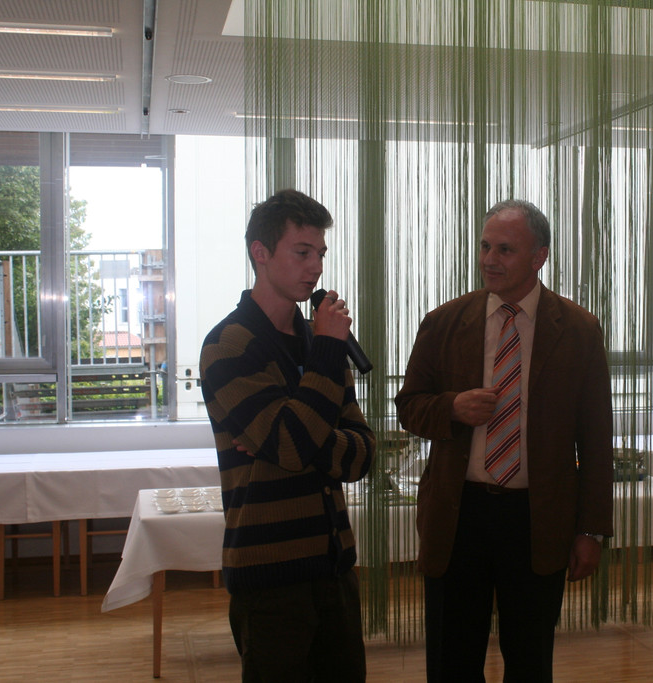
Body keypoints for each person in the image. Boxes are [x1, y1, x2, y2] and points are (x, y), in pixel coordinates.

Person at [394, 199, 614, 682]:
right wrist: (452, 407)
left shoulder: (579, 330)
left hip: (537, 520)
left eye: (505, 250)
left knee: (530, 662)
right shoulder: (444, 322)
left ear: (539, 257)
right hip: (459, 515)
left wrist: (591, 530)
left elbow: (597, 440)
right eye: (485, 246)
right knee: (452, 663)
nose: (489, 259)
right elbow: (408, 406)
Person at [199, 189, 375, 682]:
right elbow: (292, 445)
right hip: (269, 575)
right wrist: (294, 435)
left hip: (334, 568)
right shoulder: (229, 344)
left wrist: (287, 437)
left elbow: (362, 455)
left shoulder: (320, 342)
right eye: (302, 252)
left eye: (320, 253)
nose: (316, 267)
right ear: (261, 252)